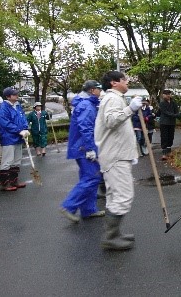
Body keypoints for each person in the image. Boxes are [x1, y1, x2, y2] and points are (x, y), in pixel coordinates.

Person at [95, 71, 142, 250]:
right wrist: (131, 109)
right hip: (116, 156)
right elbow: (111, 121)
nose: (127, 81)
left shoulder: (114, 98)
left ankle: (115, 233)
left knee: (116, 195)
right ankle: (111, 236)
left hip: (118, 154)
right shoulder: (112, 99)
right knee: (123, 195)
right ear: (114, 83)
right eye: (124, 79)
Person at [60, 80, 106, 223]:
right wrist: (90, 149)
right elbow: (86, 128)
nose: (101, 92)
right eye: (99, 89)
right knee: (92, 177)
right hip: (84, 147)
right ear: (92, 90)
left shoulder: (86, 103)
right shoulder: (86, 105)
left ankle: (88, 209)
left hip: (82, 146)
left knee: (89, 177)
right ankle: (68, 206)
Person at [0, 87, 30, 192]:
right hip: (8, 137)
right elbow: (4, 123)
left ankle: (14, 181)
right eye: (14, 94)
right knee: (7, 161)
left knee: (17, 160)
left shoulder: (18, 106)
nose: (17, 96)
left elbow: (23, 118)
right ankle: (5, 184)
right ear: (8, 96)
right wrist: (18, 130)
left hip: (19, 136)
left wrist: (25, 128)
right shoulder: (3, 108)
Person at [157, 89, 180, 164]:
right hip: (164, 122)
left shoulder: (173, 103)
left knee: (171, 137)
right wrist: (175, 115)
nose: (167, 95)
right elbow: (165, 112)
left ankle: (169, 151)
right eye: (165, 94)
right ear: (163, 95)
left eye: (168, 94)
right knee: (164, 137)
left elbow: (176, 111)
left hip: (171, 123)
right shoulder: (162, 104)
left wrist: (178, 115)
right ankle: (164, 153)